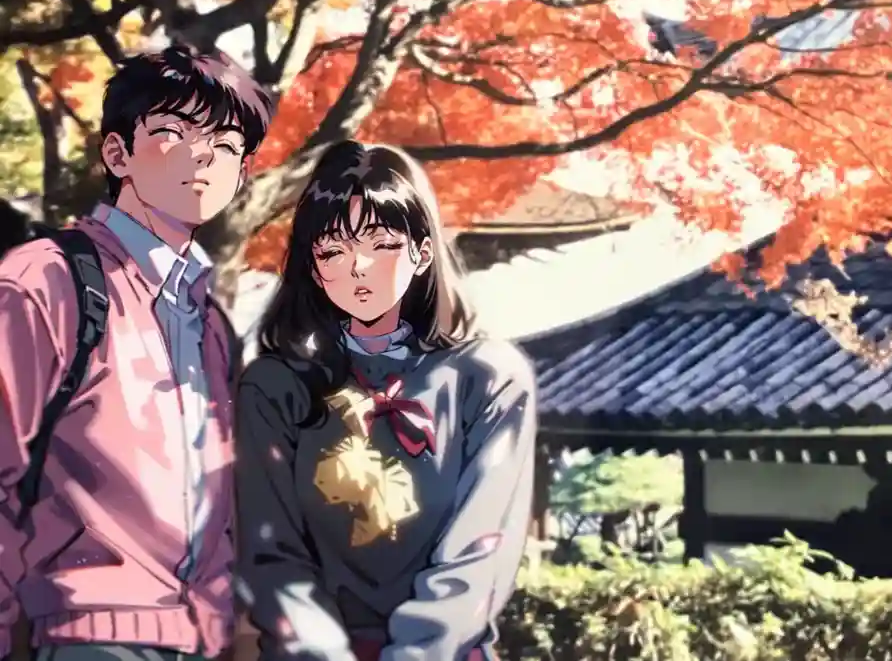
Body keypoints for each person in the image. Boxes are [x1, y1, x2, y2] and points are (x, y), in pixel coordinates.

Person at [0, 44, 275, 661]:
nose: (203, 156)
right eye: (174, 133)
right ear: (117, 153)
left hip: (198, 639)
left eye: (226, 145)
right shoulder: (47, 281)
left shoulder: (210, 320)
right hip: (81, 635)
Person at [236, 142, 535, 661]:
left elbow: (480, 550)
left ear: (422, 252)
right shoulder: (273, 387)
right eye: (334, 249)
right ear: (313, 266)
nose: (359, 267)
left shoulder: (488, 377)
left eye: (381, 243)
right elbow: (270, 556)